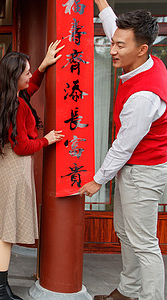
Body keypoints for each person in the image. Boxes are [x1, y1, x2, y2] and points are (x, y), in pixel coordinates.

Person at [79, 1, 167, 300]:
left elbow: (123, 146)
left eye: (119, 45)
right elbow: (111, 25)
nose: (112, 50)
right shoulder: (143, 58)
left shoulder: (144, 96)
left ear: (141, 49)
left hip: (144, 172)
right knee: (126, 235)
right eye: (112, 43)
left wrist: (98, 180)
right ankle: (128, 292)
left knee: (143, 242)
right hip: (134, 169)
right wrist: (101, 3)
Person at [0, 41, 65, 300]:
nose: (30, 76)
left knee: (5, 234)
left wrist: (43, 64)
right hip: (16, 169)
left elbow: (32, 87)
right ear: (15, 76)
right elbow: (22, 147)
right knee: (6, 234)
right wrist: (47, 140)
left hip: (12, 169)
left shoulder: (13, 98)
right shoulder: (16, 106)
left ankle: (0, 287)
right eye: (27, 72)